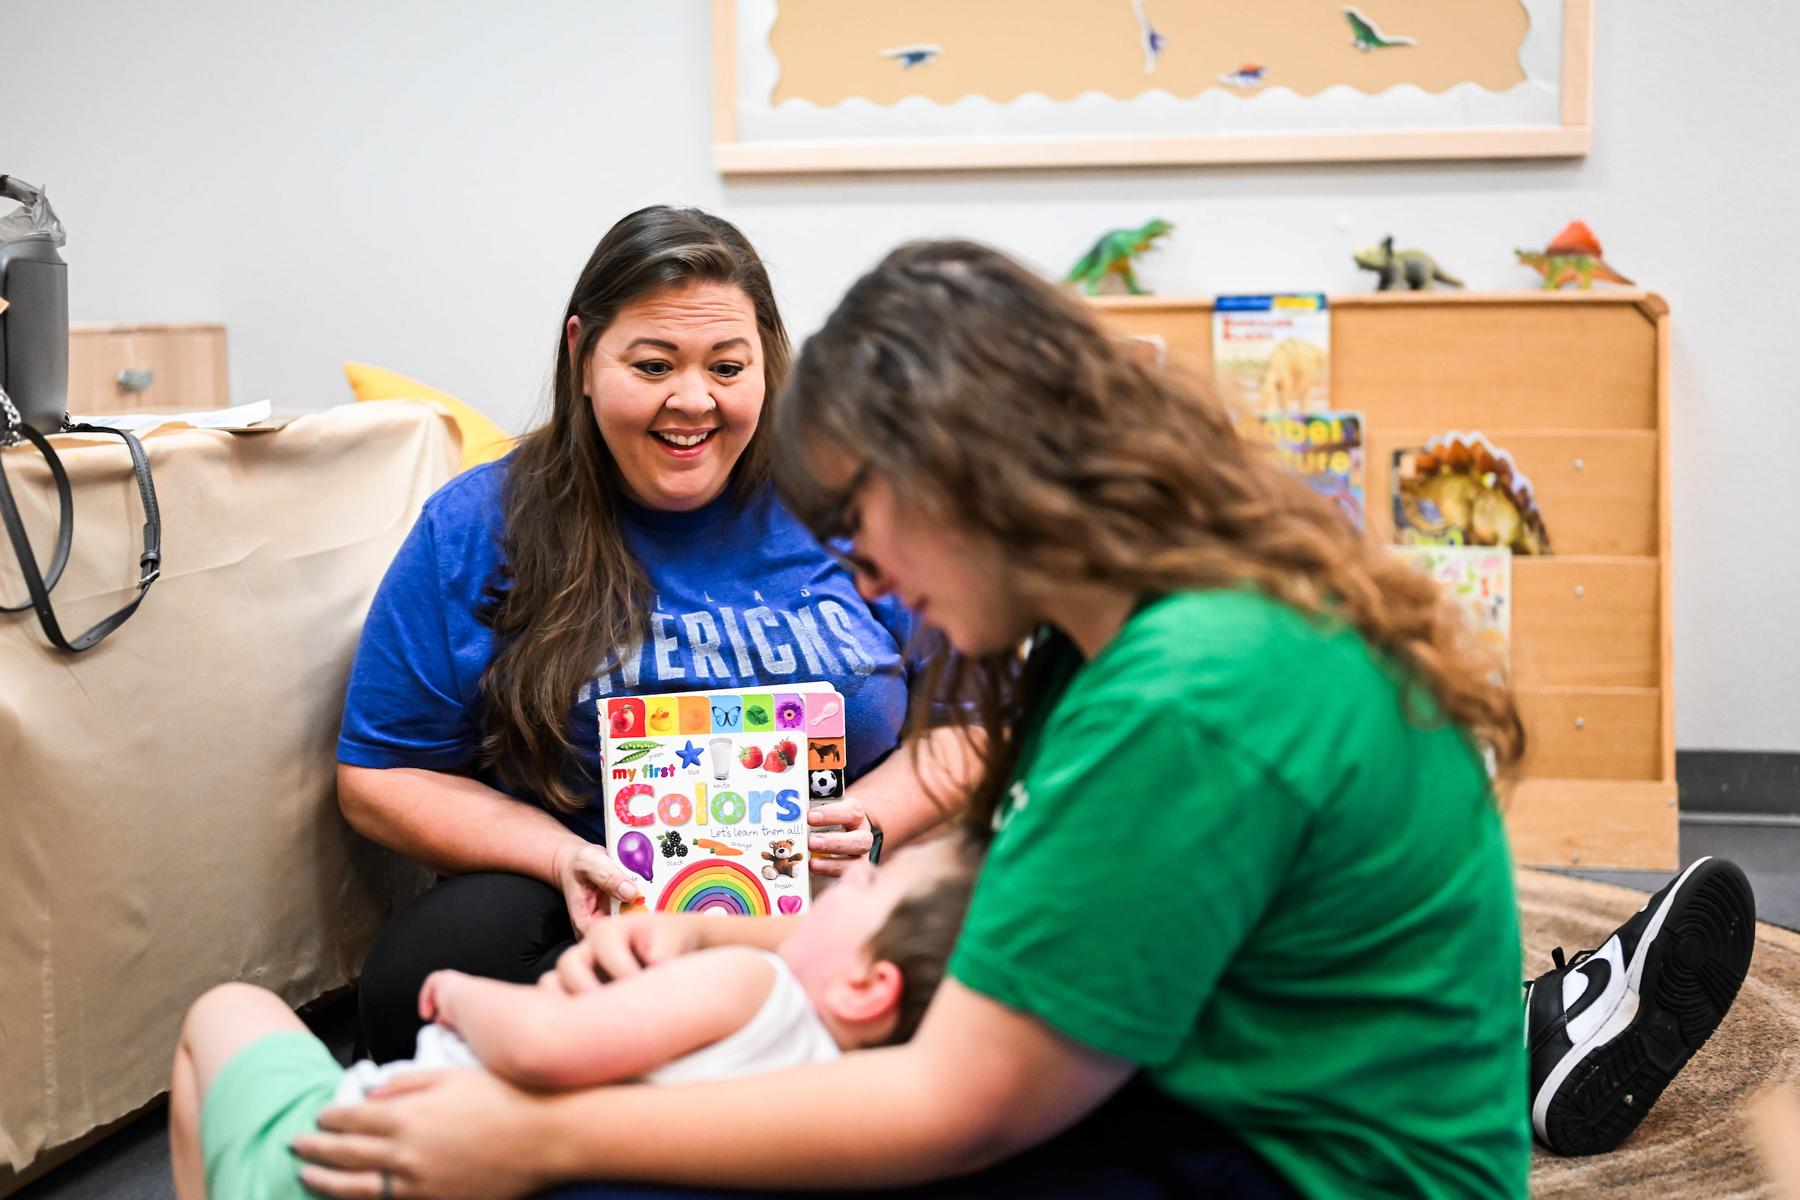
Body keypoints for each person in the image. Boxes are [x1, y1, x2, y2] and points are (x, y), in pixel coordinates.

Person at [298, 240, 1757, 1198]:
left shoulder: (1198, 694)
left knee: (627, 1166)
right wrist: (719, 936)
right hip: (1262, 1106)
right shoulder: (1163, 624)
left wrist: (540, 1136)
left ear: (973, 475)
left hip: (1296, 1166)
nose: (860, 572)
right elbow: (1018, 887)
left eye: (863, 522)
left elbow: (955, 1103)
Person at [336, 207, 974, 1063]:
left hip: (829, 895)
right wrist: (562, 857)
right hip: (588, 904)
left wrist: (873, 820)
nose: (694, 400)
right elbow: (380, 776)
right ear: (583, 356)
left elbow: (971, 722)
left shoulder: (853, 501)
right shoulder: (476, 524)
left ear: (767, 363)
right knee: (424, 972)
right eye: (653, 365)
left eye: (727, 366)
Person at [171, 834, 978, 1200]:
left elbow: (543, 1046)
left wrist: (460, 994)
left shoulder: (751, 981)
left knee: (226, 1011)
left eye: (865, 889)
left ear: (867, 988)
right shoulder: (828, 1092)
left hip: (360, 1154)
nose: (838, 892)